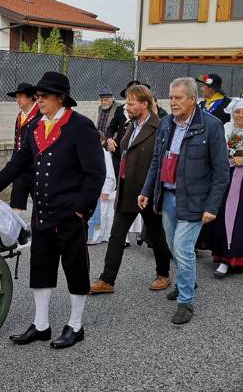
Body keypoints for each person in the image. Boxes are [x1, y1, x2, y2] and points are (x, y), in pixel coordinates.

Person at [0, 71, 104, 349]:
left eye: (44, 97)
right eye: (37, 97)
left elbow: (95, 174)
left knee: (75, 269)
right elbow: (17, 164)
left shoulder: (81, 126)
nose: (38, 102)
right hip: (42, 213)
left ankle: (76, 325)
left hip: (70, 213)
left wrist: (81, 210)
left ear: (61, 98)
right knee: (40, 269)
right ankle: (41, 325)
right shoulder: (36, 126)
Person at [139, 77, 229, 325]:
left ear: (192, 99)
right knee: (172, 245)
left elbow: (221, 171)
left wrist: (212, 206)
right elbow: (157, 160)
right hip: (167, 196)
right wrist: (147, 190)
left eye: (178, 98)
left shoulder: (211, 126)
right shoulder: (167, 124)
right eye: (171, 97)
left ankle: (186, 301)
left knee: (182, 247)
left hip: (194, 200)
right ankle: (185, 281)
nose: (173, 102)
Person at [90, 85, 172, 294]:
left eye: (131, 103)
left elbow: (160, 162)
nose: (127, 107)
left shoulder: (159, 127)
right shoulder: (130, 125)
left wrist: (152, 191)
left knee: (156, 235)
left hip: (146, 192)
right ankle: (107, 280)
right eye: (127, 103)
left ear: (144, 104)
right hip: (127, 190)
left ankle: (163, 274)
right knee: (116, 236)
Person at [199, 98, 243, 278]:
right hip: (226, 177)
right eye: (237, 112)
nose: (240, 115)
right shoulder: (225, 129)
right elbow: (213, 151)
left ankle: (241, 257)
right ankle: (223, 257)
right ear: (232, 113)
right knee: (222, 215)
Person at [7, 83, 39, 210]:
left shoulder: (40, 115)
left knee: (39, 205)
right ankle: (18, 230)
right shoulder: (20, 116)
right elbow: (17, 142)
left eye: (21, 96)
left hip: (35, 168)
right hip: (20, 167)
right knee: (16, 203)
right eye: (17, 97)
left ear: (31, 97)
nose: (18, 100)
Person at [87, 142, 116, 245]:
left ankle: (96, 237)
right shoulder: (87, 152)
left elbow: (110, 175)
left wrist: (107, 190)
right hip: (89, 190)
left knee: (101, 215)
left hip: (101, 190)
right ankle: (87, 236)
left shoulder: (105, 155)